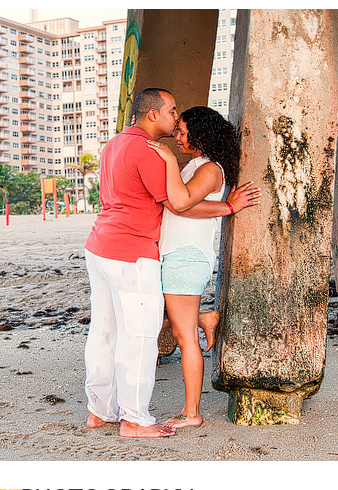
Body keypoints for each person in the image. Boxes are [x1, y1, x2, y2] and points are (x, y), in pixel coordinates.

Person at [83, 89, 260, 438]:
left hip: (100, 246)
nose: (175, 122)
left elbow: (178, 200)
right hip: (132, 252)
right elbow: (177, 203)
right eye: (172, 113)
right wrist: (227, 208)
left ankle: (99, 410)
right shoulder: (150, 152)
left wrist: (225, 206)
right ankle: (133, 419)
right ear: (153, 115)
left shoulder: (114, 144)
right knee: (139, 337)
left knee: (105, 332)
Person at [146, 105, 246, 429]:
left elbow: (182, 203)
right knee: (163, 320)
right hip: (176, 255)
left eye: (182, 131)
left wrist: (169, 162)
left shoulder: (211, 170)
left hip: (187, 257)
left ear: (201, 135)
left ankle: (192, 413)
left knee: (184, 336)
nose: (177, 136)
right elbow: (181, 204)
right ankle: (205, 318)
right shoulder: (194, 166)